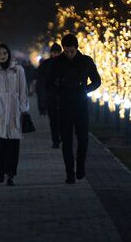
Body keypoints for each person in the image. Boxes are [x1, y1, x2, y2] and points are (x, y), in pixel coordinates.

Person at [46, 34, 101, 184]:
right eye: (67, 51)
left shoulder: (86, 61)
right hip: (64, 106)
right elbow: (48, 84)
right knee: (67, 141)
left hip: (81, 105)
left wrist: (85, 90)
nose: (69, 54)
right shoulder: (57, 63)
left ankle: (81, 165)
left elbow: (97, 81)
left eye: (72, 51)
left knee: (83, 138)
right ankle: (70, 173)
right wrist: (59, 92)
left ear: (76, 48)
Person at [0, 43, 29, 186]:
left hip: (14, 111)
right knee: (0, 147)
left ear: (9, 54)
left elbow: (23, 91)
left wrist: (23, 109)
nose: (2, 56)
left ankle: (11, 174)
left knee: (13, 147)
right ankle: (0, 169)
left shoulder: (18, 70)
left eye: (5, 53)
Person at [36, 43, 62, 148]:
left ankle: (60, 137)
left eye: (57, 52)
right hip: (50, 96)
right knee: (53, 120)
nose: (55, 54)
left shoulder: (64, 63)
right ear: (51, 53)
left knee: (62, 119)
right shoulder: (46, 64)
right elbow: (41, 81)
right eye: (54, 52)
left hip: (62, 97)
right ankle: (55, 140)